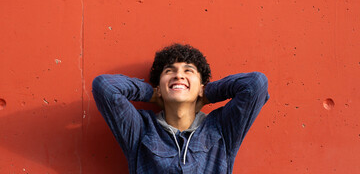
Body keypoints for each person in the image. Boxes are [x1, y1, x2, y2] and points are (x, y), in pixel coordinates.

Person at [92, 43, 269, 174]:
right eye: (170, 71)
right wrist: (153, 94)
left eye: (188, 71)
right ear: (159, 87)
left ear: (201, 86)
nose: (178, 75)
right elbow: (105, 88)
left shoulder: (220, 128)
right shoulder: (141, 129)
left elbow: (255, 85)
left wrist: (206, 94)